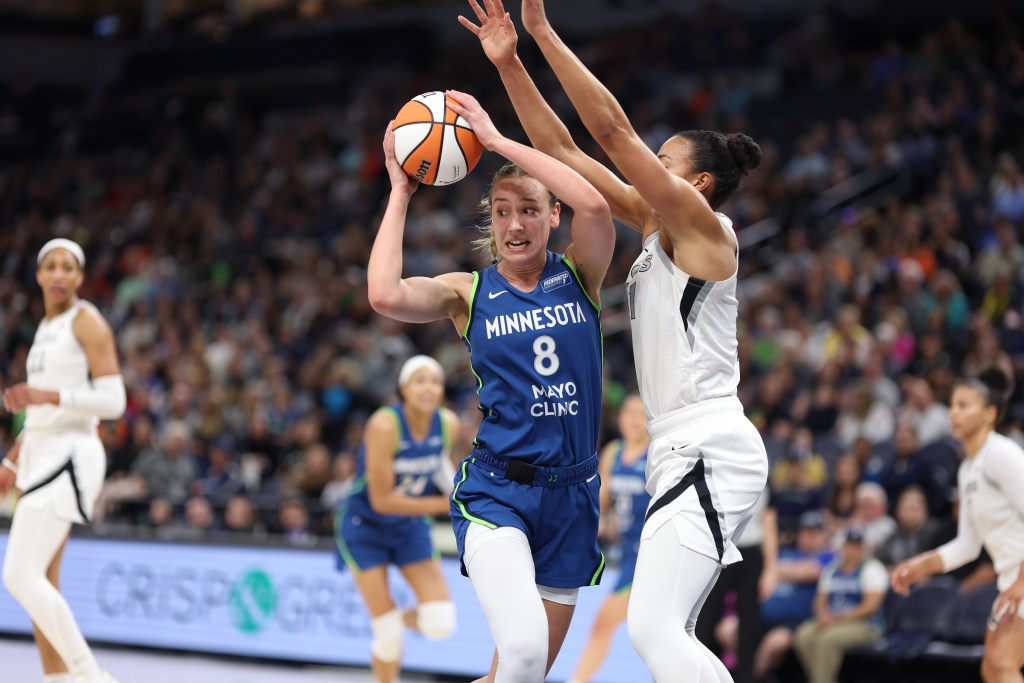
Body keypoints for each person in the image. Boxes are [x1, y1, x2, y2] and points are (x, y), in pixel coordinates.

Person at [461, 2, 768, 680]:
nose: (645, 164)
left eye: (662, 161)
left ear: (698, 181)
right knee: (665, 631)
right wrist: (510, 64)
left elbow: (608, 128)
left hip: (708, 441)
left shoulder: (706, 229)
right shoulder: (654, 227)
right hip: (678, 447)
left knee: (653, 629)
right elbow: (564, 152)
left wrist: (543, 32)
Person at [367, 91, 614, 683]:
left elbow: (599, 208)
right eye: (501, 211)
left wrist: (498, 141)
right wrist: (400, 192)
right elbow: (384, 294)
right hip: (499, 494)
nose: (514, 224)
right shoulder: (468, 292)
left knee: (519, 675)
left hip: (572, 498)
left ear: (554, 216)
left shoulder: (580, 274)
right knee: (524, 650)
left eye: (529, 209)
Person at [0, 238, 126, 683]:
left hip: (71, 454)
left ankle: (90, 676)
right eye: (50, 266)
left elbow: (114, 399)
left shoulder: (86, 320)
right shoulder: (44, 330)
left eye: (67, 268)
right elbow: (40, 414)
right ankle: (58, 679)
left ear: (80, 277)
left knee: (19, 574)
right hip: (42, 451)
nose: (58, 275)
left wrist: (45, 394)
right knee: (42, 582)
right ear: (37, 275)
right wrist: (13, 458)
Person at [334, 355, 461, 683]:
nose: (429, 387)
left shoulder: (448, 423)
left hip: (409, 527)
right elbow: (382, 500)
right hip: (366, 526)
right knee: (387, 638)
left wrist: (457, 489)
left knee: (440, 622)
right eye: (420, 380)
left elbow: (438, 462)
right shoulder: (384, 424)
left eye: (435, 381)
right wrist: (446, 503)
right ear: (403, 389)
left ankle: (394, 619)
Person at [892, 368, 1024, 683]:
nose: (954, 413)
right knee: (992, 668)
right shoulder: (967, 469)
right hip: (1011, 582)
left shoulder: (1002, 454)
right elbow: (967, 544)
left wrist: (1021, 582)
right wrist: (920, 566)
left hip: (1021, 579)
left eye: (964, 405)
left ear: (990, 414)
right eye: (952, 405)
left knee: (1002, 663)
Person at [568, 394, 649, 683]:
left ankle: (577, 680)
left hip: (649, 554)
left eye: (642, 413)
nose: (634, 419)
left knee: (604, 623)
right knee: (652, 633)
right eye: (629, 412)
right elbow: (601, 501)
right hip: (626, 550)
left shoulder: (658, 452)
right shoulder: (614, 452)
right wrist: (601, 522)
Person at [792, 527, 887, 683]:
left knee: (828, 639)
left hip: (865, 624)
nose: (852, 550)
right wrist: (823, 615)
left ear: (864, 549)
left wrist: (838, 618)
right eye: (849, 545)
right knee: (804, 635)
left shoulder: (872, 568)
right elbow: (819, 602)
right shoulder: (832, 570)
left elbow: (871, 606)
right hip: (834, 620)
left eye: (857, 546)